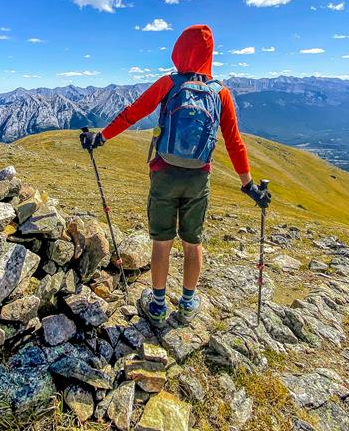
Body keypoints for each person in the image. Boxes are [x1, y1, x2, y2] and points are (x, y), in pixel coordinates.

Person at [79, 24, 271, 327]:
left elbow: (133, 113)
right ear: (209, 54)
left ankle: (156, 305)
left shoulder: (168, 84)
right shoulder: (220, 92)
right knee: (193, 243)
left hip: (164, 174)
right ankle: (186, 303)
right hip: (198, 179)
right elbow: (234, 141)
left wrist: (101, 138)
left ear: (180, 50)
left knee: (161, 242)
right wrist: (248, 186)